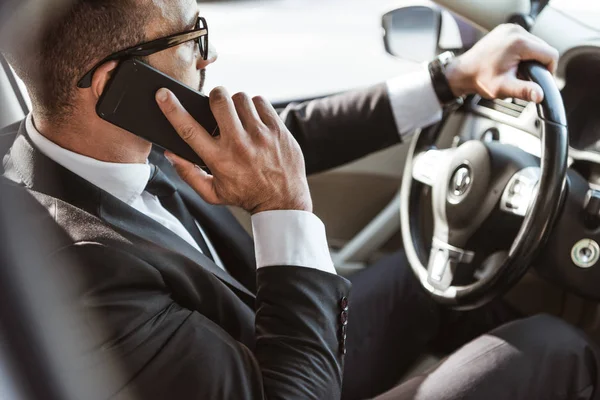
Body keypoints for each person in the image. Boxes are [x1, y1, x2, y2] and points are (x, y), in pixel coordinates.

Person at [1, 0, 599, 399]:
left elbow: (288, 138)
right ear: (116, 89)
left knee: (439, 281)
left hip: (267, 338)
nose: (210, 57)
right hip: (283, 379)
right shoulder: (84, 276)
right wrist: (283, 209)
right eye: (192, 37)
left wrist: (449, 79)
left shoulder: (111, 137)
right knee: (552, 347)